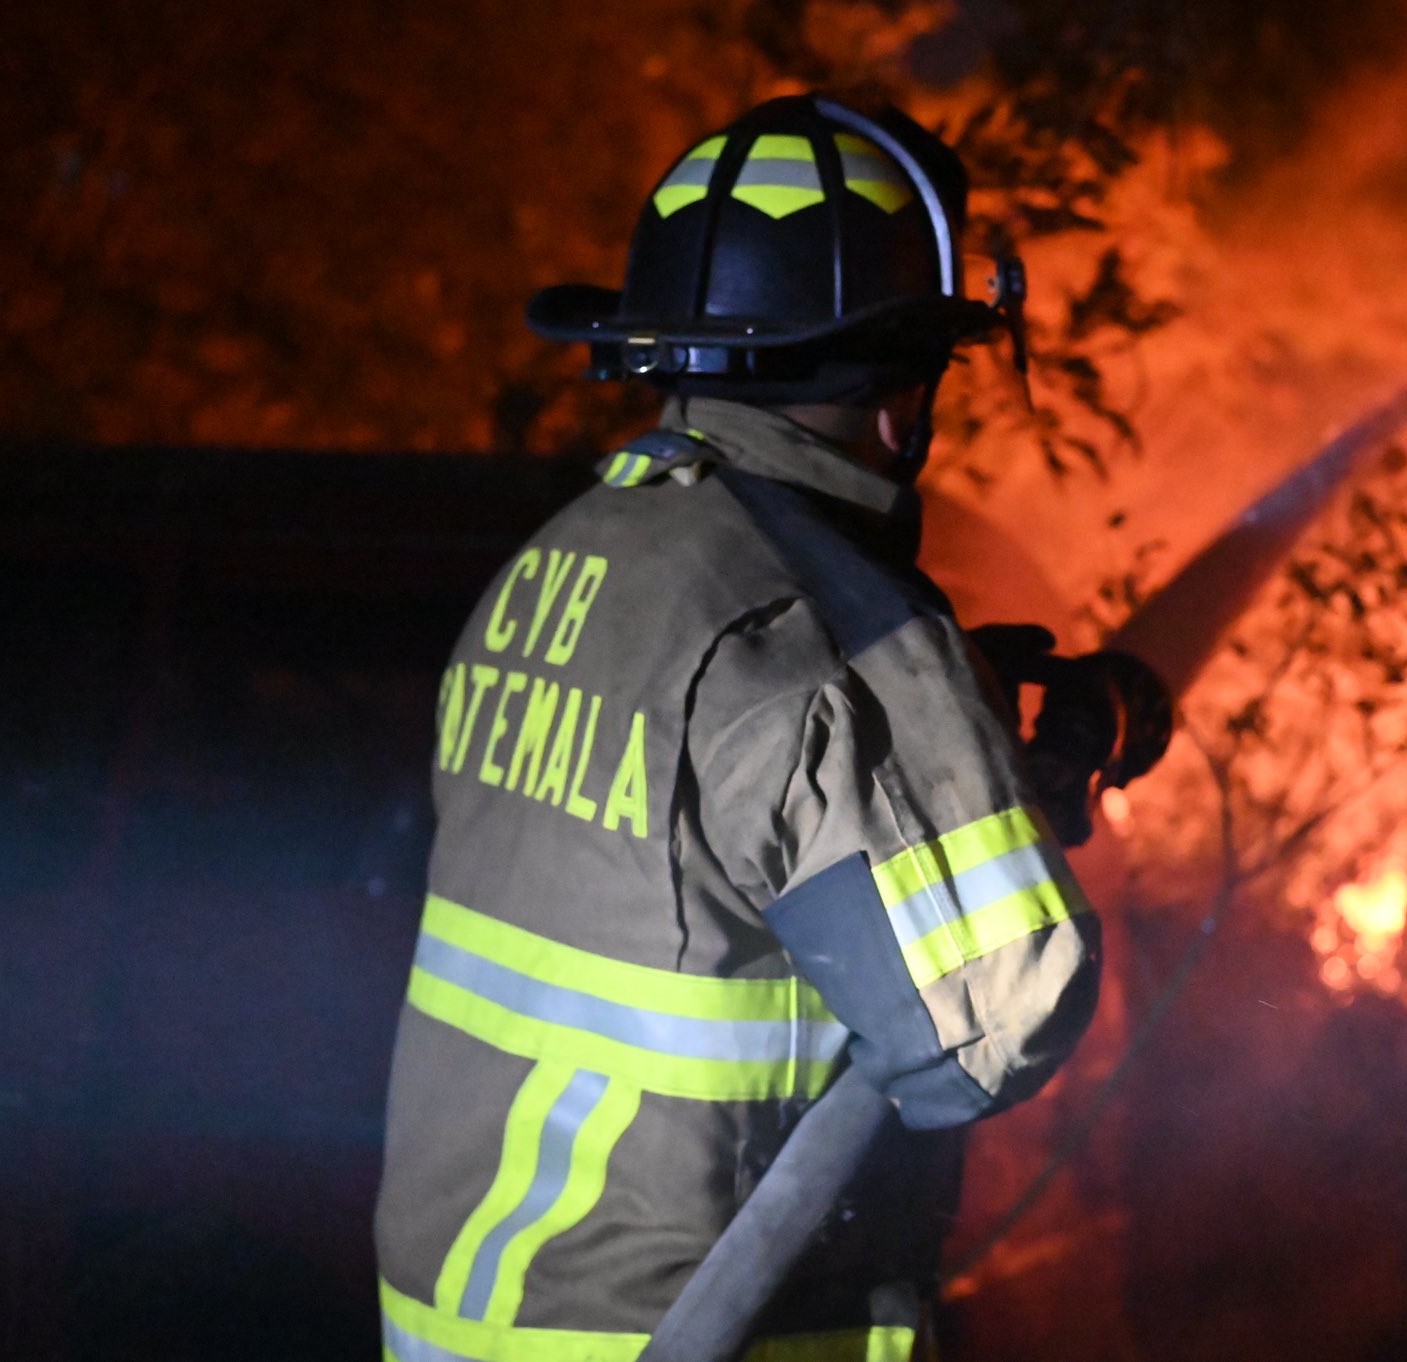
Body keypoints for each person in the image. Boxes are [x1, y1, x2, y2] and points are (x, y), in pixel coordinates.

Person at [373, 94, 1138, 1361]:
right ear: (900, 390)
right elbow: (994, 1030)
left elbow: (698, 863)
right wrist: (998, 778)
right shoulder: (825, 639)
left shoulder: (561, 569)